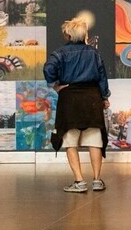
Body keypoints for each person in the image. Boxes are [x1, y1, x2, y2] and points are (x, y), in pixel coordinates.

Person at [43, 17, 110, 193]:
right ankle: (96, 180)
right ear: (84, 34)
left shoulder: (59, 53)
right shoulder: (94, 53)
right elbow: (102, 77)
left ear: (67, 35)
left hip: (69, 98)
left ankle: (79, 182)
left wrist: (56, 85)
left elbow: (48, 69)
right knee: (95, 140)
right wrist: (104, 97)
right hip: (92, 98)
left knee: (70, 140)